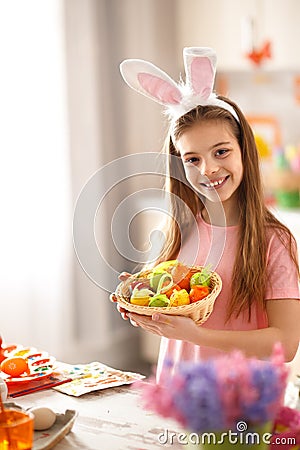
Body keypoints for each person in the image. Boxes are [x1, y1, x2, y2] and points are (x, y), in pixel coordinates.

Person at [111, 47, 300, 382]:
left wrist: (196, 336)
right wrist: (142, 302)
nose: (208, 169)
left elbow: (285, 344)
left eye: (221, 152)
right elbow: (172, 312)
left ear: (245, 151)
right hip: (178, 392)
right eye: (192, 159)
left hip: (238, 402)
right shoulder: (179, 229)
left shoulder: (273, 241)